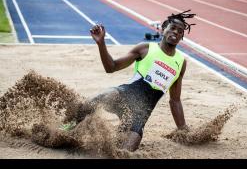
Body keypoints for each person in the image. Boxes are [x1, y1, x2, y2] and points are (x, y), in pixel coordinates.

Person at [64, 10, 196, 152]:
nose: (176, 32)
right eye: (172, 28)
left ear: (182, 36)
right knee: (106, 95)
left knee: (127, 150)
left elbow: (175, 100)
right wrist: (101, 43)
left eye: (180, 31)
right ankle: (65, 129)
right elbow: (111, 67)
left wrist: (183, 130)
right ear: (163, 29)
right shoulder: (145, 49)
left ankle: (123, 130)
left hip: (140, 113)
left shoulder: (180, 63)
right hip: (123, 96)